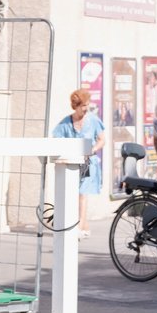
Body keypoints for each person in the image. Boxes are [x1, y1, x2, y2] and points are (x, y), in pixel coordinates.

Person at [52, 89, 105, 240]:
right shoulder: (65, 123)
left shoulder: (93, 120)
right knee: (73, 193)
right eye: (83, 105)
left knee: (82, 193)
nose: (85, 108)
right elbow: (56, 139)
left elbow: (102, 139)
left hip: (87, 161)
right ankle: (83, 224)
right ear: (75, 106)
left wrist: (93, 149)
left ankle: (80, 227)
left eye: (87, 105)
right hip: (71, 162)